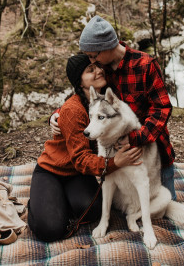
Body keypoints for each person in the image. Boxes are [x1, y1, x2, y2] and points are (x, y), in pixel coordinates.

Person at [51, 16, 176, 201]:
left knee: (164, 206)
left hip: (153, 151)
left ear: (108, 45)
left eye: (94, 56)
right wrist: (58, 114)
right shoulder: (102, 71)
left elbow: (162, 108)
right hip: (118, 153)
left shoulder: (145, 64)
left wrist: (135, 138)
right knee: (126, 205)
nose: (93, 62)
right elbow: (86, 96)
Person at [28, 54, 142, 242]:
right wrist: (115, 162)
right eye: (90, 70)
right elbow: (81, 159)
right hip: (53, 170)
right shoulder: (73, 109)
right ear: (79, 82)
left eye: (97, 66)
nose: (98, 71)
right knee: (51, 229)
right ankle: (38, 203)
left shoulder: (107, 97)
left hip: (78, 173)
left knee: (93, 211)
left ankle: (58, 200)